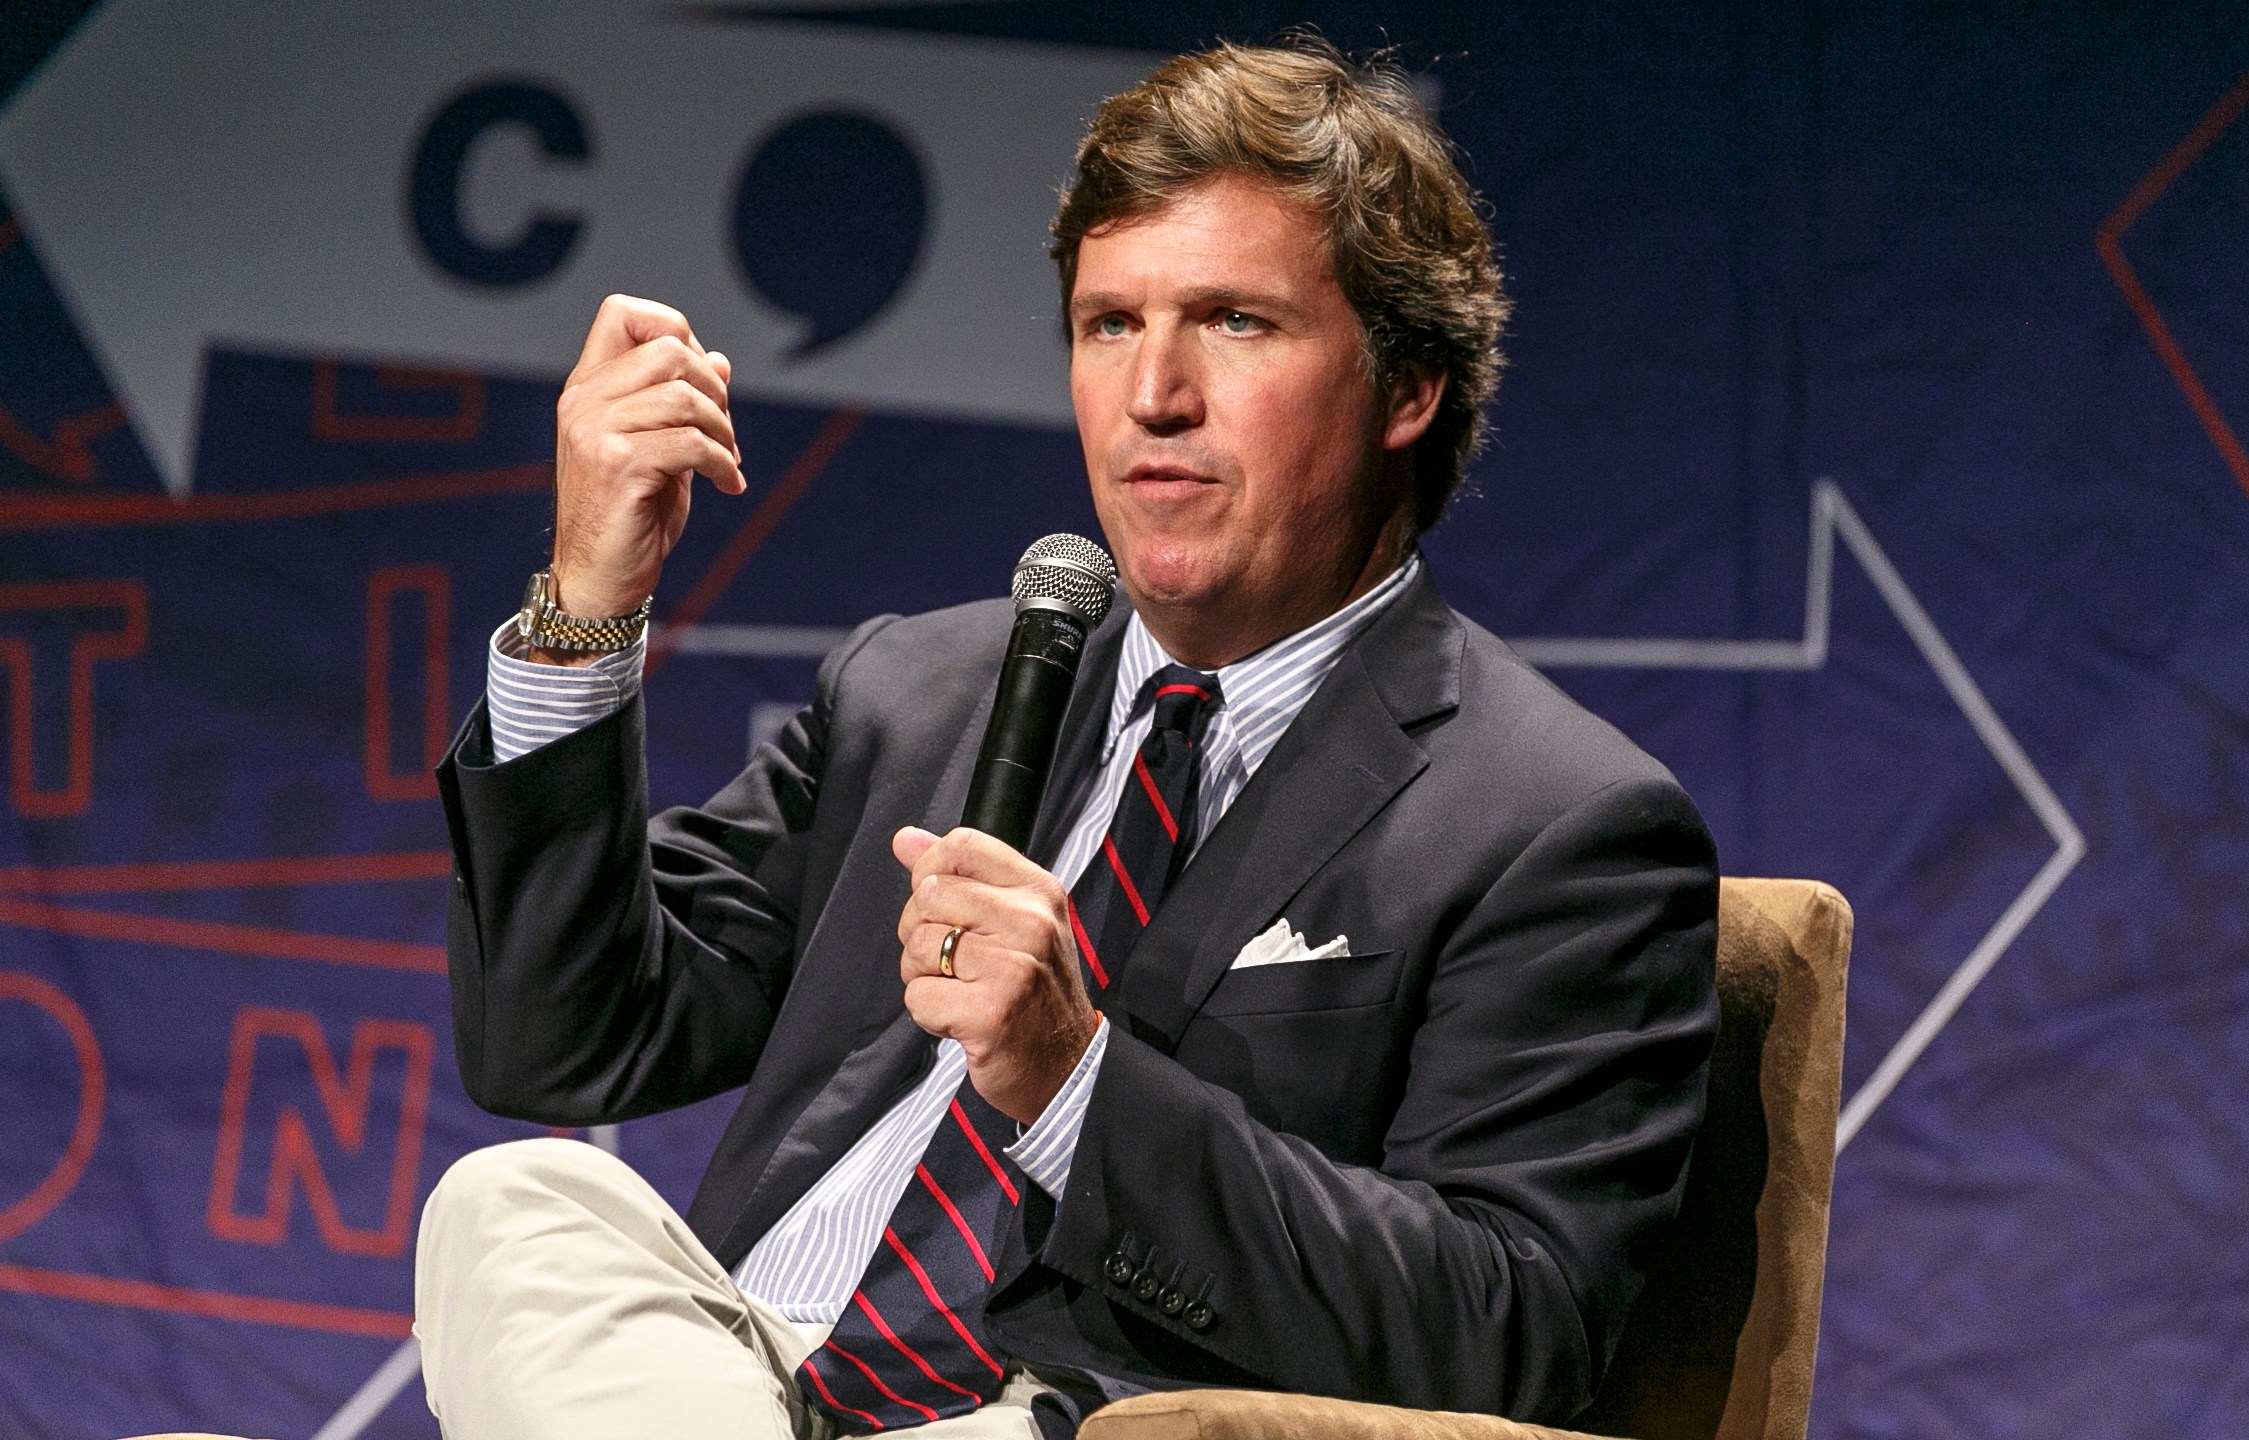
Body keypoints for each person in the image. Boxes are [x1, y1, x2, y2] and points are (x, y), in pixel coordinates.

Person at [416, 36, 1719, 1440]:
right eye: (1109, 325)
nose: (1151, 394)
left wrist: (1072, 1082)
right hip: (730, 1386)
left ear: (1405, 390)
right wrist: (585, 607)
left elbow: (1507, 1336)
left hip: (1053, 1419)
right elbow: (560, 1045)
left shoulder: (1553, 822)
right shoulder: (920, 689)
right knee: (517, 1200)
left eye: (1234, 321)